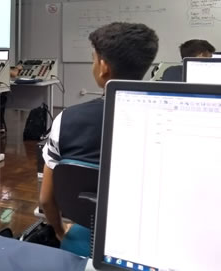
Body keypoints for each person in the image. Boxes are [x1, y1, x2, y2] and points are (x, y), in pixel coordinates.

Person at [39, 22, 158, 242]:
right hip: (146, 231)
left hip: (86, 224)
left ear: (103, 68)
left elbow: (46, 199)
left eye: (93, 59)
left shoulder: (67, 119)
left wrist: (59, 231)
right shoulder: (165, 120)